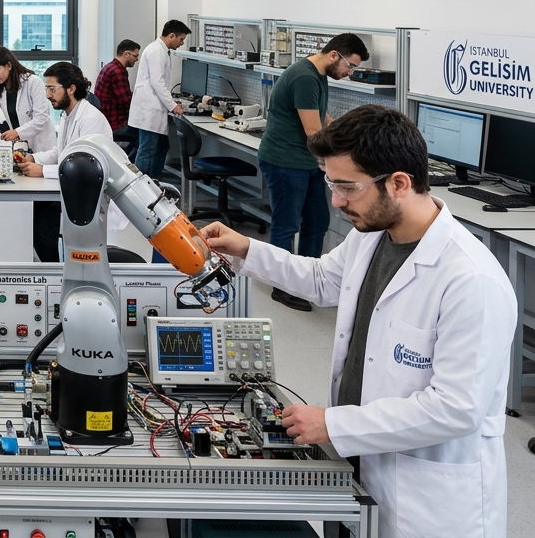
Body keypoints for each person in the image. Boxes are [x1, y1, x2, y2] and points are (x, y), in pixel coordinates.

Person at [199, 105, 515, 538]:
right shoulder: (370, 237)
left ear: (399, 183)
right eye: (332, 183)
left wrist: (333, 424)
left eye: (347, 186)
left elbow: (456, 410)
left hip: (427, 504)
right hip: (357, 466)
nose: (336, 200)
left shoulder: (470, 279)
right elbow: (322, 279)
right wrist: (246, 249)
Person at [258, 32, 369, 312]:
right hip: (285, 162)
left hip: (304, 162)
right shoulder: (305, 76)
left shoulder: (317, 74)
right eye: (350, 66)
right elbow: (313, 131)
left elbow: (321, 118)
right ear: (334, 56)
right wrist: (338, 162)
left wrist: (349, 137)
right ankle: (282, 287)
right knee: (286, 225)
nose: (350, 73)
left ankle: (306, 279)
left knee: (317, 222)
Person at [18, 62, 126, 261]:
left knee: (43, 223)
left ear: (71, 88)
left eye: (52, 89)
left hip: (91, 195)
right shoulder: (68, 116)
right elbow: (61, 152)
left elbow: (82, 168)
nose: (47, 95)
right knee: (34, 213)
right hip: (75, 189)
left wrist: (42, 171)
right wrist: (34, 158)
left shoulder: (90, 119)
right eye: (47, 89)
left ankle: (53, 271)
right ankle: (51, 267)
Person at [128, 20, 190, 181]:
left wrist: (172, 103)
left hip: (153, 108)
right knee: (147, 149)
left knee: (162, 146)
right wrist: (173, 106)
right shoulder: (156, 51)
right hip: (149, 110)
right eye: (181, 39)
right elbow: (157, 82)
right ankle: (140, 187)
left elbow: (160, 82)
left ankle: (154, 181)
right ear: (171, 36)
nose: (181, 43)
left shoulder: (161, 50)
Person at [0, 46, 53, 156]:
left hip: (39, 145)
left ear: (9, 65)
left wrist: (17, 133)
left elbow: (41, 118)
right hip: (16, 147)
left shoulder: (33, 82)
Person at [95, 39, 140, 154]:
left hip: (106, 120)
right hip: (115, 124)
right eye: (135, 56)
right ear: (126, 54)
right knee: (146, 137)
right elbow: (127, 101)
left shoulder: (110, 67)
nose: (137, 59)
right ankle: (132, 168)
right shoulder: (118, 71)